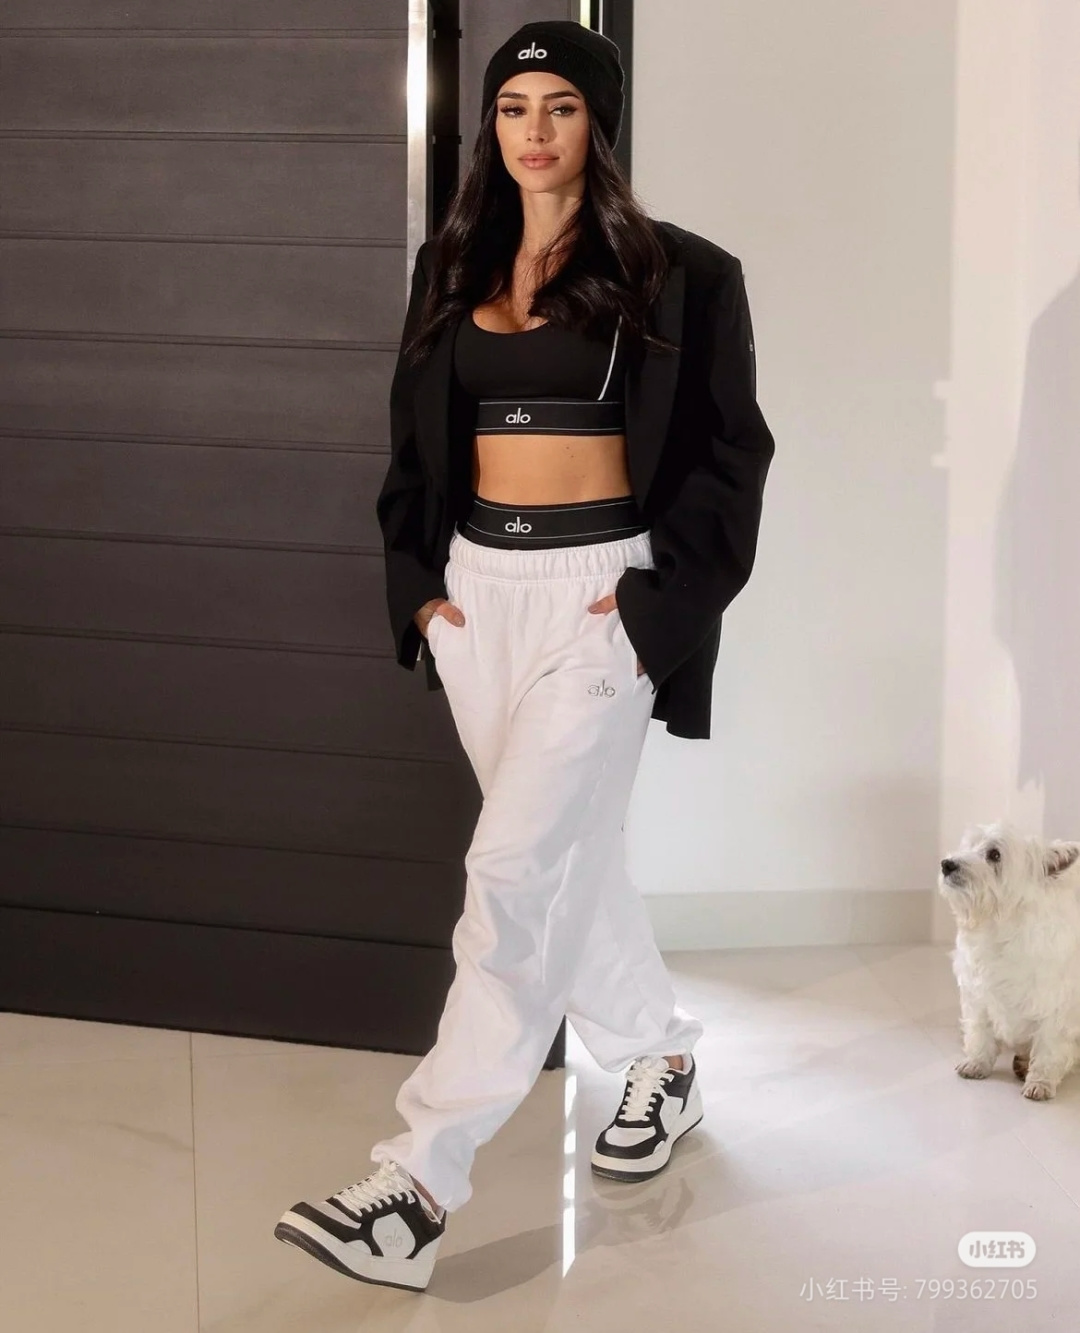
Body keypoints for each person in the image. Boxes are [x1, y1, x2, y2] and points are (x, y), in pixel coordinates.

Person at [274, 19, 775, 1293]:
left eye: (560, 106)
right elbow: (412, 440)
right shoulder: (452, 264)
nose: (534, 130)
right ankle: (660, 1057)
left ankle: (416, 1184)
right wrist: (420, 595)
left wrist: (657, 609)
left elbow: (734, 454)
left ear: (598, 123)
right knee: (562, 859)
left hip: (603, 600)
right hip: (479, 601)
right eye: (513, 108)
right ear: (491, 126)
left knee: (509, 876)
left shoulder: (684, 273)